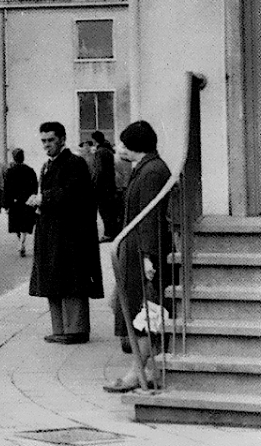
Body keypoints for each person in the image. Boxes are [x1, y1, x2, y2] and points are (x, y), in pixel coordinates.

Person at [104, 120, 172, 392]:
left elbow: (150, 216)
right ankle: (151, 369)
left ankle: (136, 373)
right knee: (131, 308)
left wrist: (147, 257)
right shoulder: (147, 168)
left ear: (135, 145)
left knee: (143, 313)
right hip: (135, 250)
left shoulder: (152, 171)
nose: (120, 147)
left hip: (142, 252)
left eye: (123, 143)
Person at [28, 121, 104, 345]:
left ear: (62, 139)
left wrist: (44, 198)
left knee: (72, 278)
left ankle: (76, 330)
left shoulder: (74, 163)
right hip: (52, 231)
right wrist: (41, 204)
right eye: (43, 141)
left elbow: (73, 193)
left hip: (71, 233)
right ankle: (60, 328)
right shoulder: (48, 165)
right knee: (54, 278)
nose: (46, 145)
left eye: (51, 140)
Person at [3, 148, 39, 257]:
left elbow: (7, 189)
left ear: (14, 158)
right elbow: (35, 186)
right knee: (25, 223)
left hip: (15, 202)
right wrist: (33, 198)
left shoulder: (10, 171)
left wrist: (6, 204)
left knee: (17, 224)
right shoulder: (30, 170)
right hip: (27, 201)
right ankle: (22, 242)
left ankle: (20, 242)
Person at [90, 131, 121, 242]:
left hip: (102, 188)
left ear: (95, 140)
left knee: (105, 211)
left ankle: (108, 234)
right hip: (110, 186)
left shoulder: (100, 152)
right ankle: (112, 233)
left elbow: (98, 171)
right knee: (110, 211)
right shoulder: (108, 151)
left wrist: (93, 184)